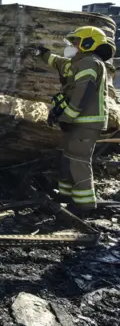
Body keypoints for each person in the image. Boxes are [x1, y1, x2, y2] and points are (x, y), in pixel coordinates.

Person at [35, 26, 115, 216]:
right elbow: (61, 63)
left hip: (86, 122)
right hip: (76, 121)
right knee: (66, 156)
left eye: (76, 42)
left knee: (78, 160)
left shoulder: (89, 63)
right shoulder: (79, 61)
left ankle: (84, 205)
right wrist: (44, 55)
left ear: (89, 43)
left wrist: (68, 116)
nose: (73, 46)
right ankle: (65, 195)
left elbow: (83, 92)